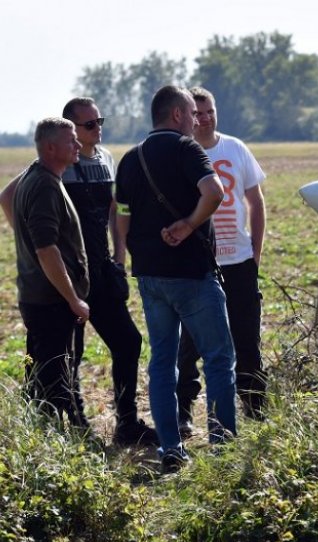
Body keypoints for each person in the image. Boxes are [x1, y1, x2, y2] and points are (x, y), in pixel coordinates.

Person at [1, 98, 159, 447]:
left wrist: (118, 255)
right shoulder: (51, 167)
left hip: (99, 271)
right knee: (69, 355)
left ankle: (127, 422)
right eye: (88, 125)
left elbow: (115, 208)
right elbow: (8, 196)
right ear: (69, 130)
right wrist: (33, 247)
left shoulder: (105, 159)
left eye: (98, 121)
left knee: (128, 342)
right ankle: (74, 425)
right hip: (65, 276)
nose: (96, 128)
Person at [115, 85, 236, 473]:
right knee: (219, 359)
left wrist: (129, 254)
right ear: (178, 115)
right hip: (192, 274)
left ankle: (170, 448)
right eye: (193, 114)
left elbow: (121, 215)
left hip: (150, 277)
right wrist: (187, 224)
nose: (198, 120)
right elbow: (214, 192)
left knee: (162, 362)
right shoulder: (188, 150)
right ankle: (223, 448)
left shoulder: (130, 159)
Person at [176, 87, 267, 437]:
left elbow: (256, 204)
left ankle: (255, 410)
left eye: (210, 111)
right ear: (185, 116)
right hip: (199, 265)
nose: (205, 118)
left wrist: (254, 254)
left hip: (239, 262)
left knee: (247, 341)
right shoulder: (182, 153)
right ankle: (184, 412)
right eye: (197, 113)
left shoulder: (235, 148)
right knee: (191, 344)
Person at [9, 118, 90, 430]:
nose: (78, 146)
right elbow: (47, 249)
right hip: (51, 301)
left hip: (38, 297)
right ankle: (56, 446)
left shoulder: (37, 176)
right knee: (54, 380)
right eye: (71, 141)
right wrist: (73, 299)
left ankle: (39, 436)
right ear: (51, 147)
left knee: (40, 374)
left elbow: (6, 198)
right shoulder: (44, 185)